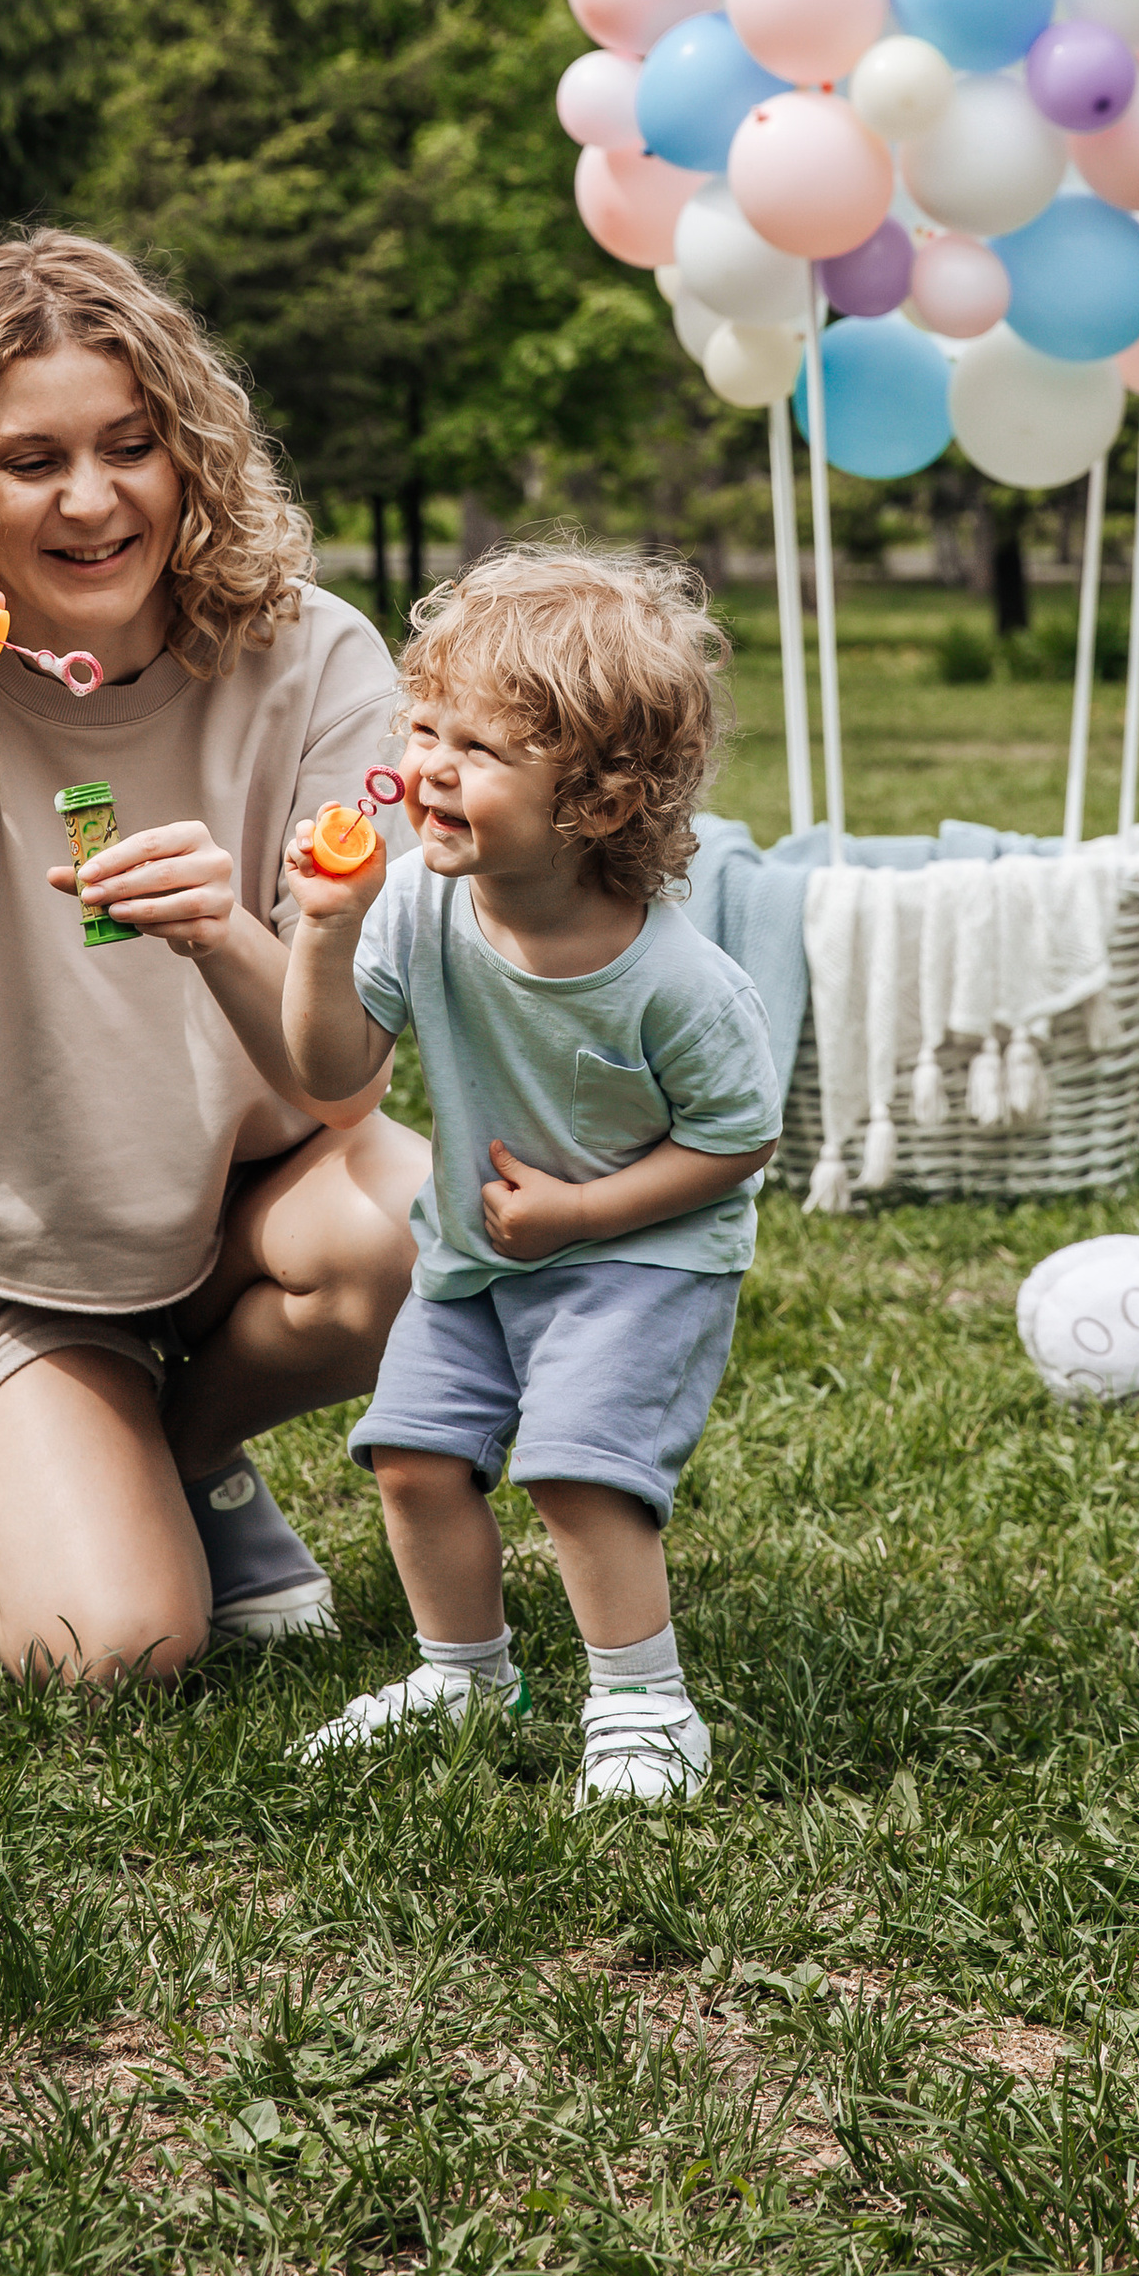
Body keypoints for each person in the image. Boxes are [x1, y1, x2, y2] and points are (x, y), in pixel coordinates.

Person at [0, 231, 426, 1685]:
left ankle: (180, 1451)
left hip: (258, 1198)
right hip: (19, 1258)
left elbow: (353, 1078)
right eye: (32, 460)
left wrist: (227, 933)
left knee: (410, 1246)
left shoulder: (314, 663)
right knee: (124, 1651)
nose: (92, 499)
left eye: (132, 446)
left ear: (187, 456)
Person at [279, 546, 780, 1806]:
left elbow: (738, 1140)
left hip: (637, 1262)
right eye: (424, 727)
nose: (428, 766)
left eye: (481, 751)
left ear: (598, 803)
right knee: (411, 1456)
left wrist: (582, 1212)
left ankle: (644, 1702)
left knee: (575, 1471)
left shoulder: (678, 983)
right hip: (474, 1256)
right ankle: (463, 1672)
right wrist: (325, 937)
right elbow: (333, 1077)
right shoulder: (409, 906)